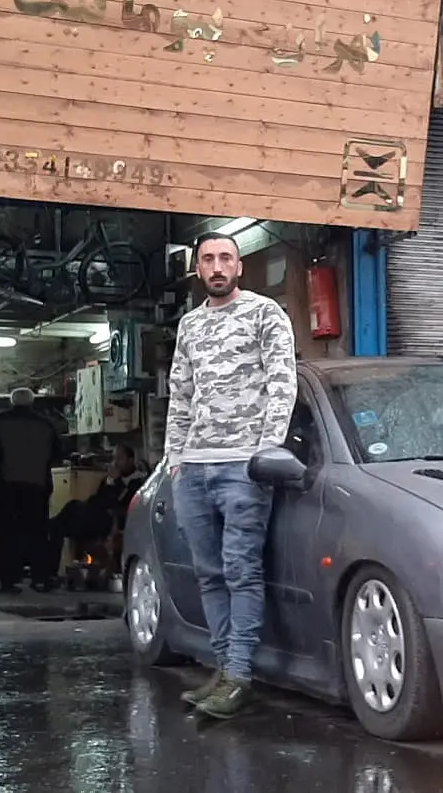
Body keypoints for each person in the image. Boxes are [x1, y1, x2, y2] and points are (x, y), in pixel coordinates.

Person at [165, 231, 297, 720]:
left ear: (239, 266)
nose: (217, 267)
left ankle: (239, 676)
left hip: (243, 465)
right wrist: (174, 458)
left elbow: (282, 383)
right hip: (194, 465)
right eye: (208, 259)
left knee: (242, 571)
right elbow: (181, 394)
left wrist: (265, 451)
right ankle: (223, 671)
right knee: (209, 573)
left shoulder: (265, 313)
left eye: (226, 258)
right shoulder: (190, 325)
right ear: (198, 269)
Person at [0, 387, 62, 592]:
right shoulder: (46, 423)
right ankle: (39, 578)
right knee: (37, 534)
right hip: (37, 487)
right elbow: (57, 454)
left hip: (7, 487)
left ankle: (10, 581)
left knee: (8, 535)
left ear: (12, 402)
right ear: (32, 402)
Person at [45, 443, 146, 583]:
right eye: (114, 458)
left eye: (119, 458)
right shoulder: (109, 479)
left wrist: (117, 481)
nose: (115, 463)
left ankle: (51, 525)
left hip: (110, 521)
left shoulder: (138, 481)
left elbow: (123, 503)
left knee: (69, 514)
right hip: (93, 517)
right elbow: (97, 499)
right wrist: (109, 483)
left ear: (130, 460)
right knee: (63, 519)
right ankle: (50, 572)